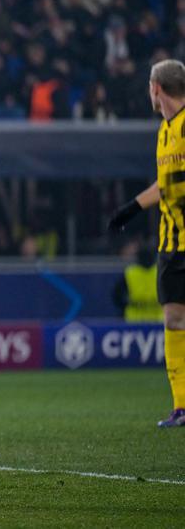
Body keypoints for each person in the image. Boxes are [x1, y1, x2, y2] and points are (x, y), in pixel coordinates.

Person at [107, 59, 185, 427]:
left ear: (156, 88)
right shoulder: (164, 132)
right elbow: (165, 185)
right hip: (171, 243)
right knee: (174, 319)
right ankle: (181, 406)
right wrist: (131, 208)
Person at [112, 248, 162, 322]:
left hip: (135, 321)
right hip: (157, 321)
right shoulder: (160, 272)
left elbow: (116, 296)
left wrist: (126, 307)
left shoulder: (130, 273)